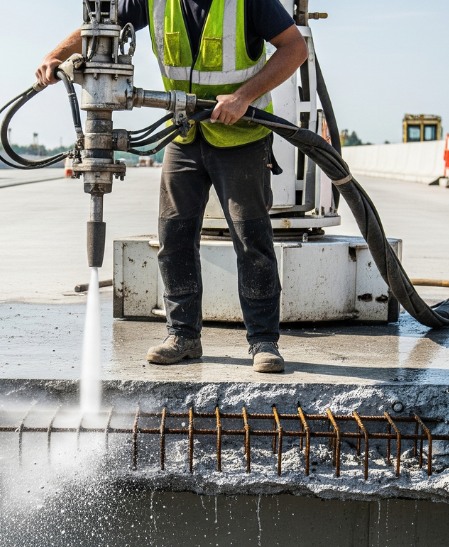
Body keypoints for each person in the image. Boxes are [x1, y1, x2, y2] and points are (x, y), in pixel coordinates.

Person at [36, 0, 308, 374]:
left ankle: (263, 340)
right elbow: (100, 27)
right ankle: (183, 336)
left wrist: (243, 96)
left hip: (241, 137)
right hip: (183, 134)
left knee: (251, 240)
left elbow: (295, 48)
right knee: (174, 235)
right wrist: (56, 56)